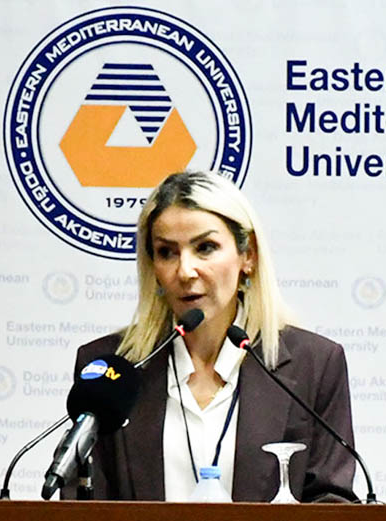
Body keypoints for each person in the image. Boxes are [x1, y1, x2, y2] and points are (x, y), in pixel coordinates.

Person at [72, 169, 358, 502]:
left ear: (248, 256)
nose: (185, 271)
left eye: (205, 247)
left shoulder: (314, 364)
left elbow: (331, 503)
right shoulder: (109, 370)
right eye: (167, 252)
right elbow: (84, 504)